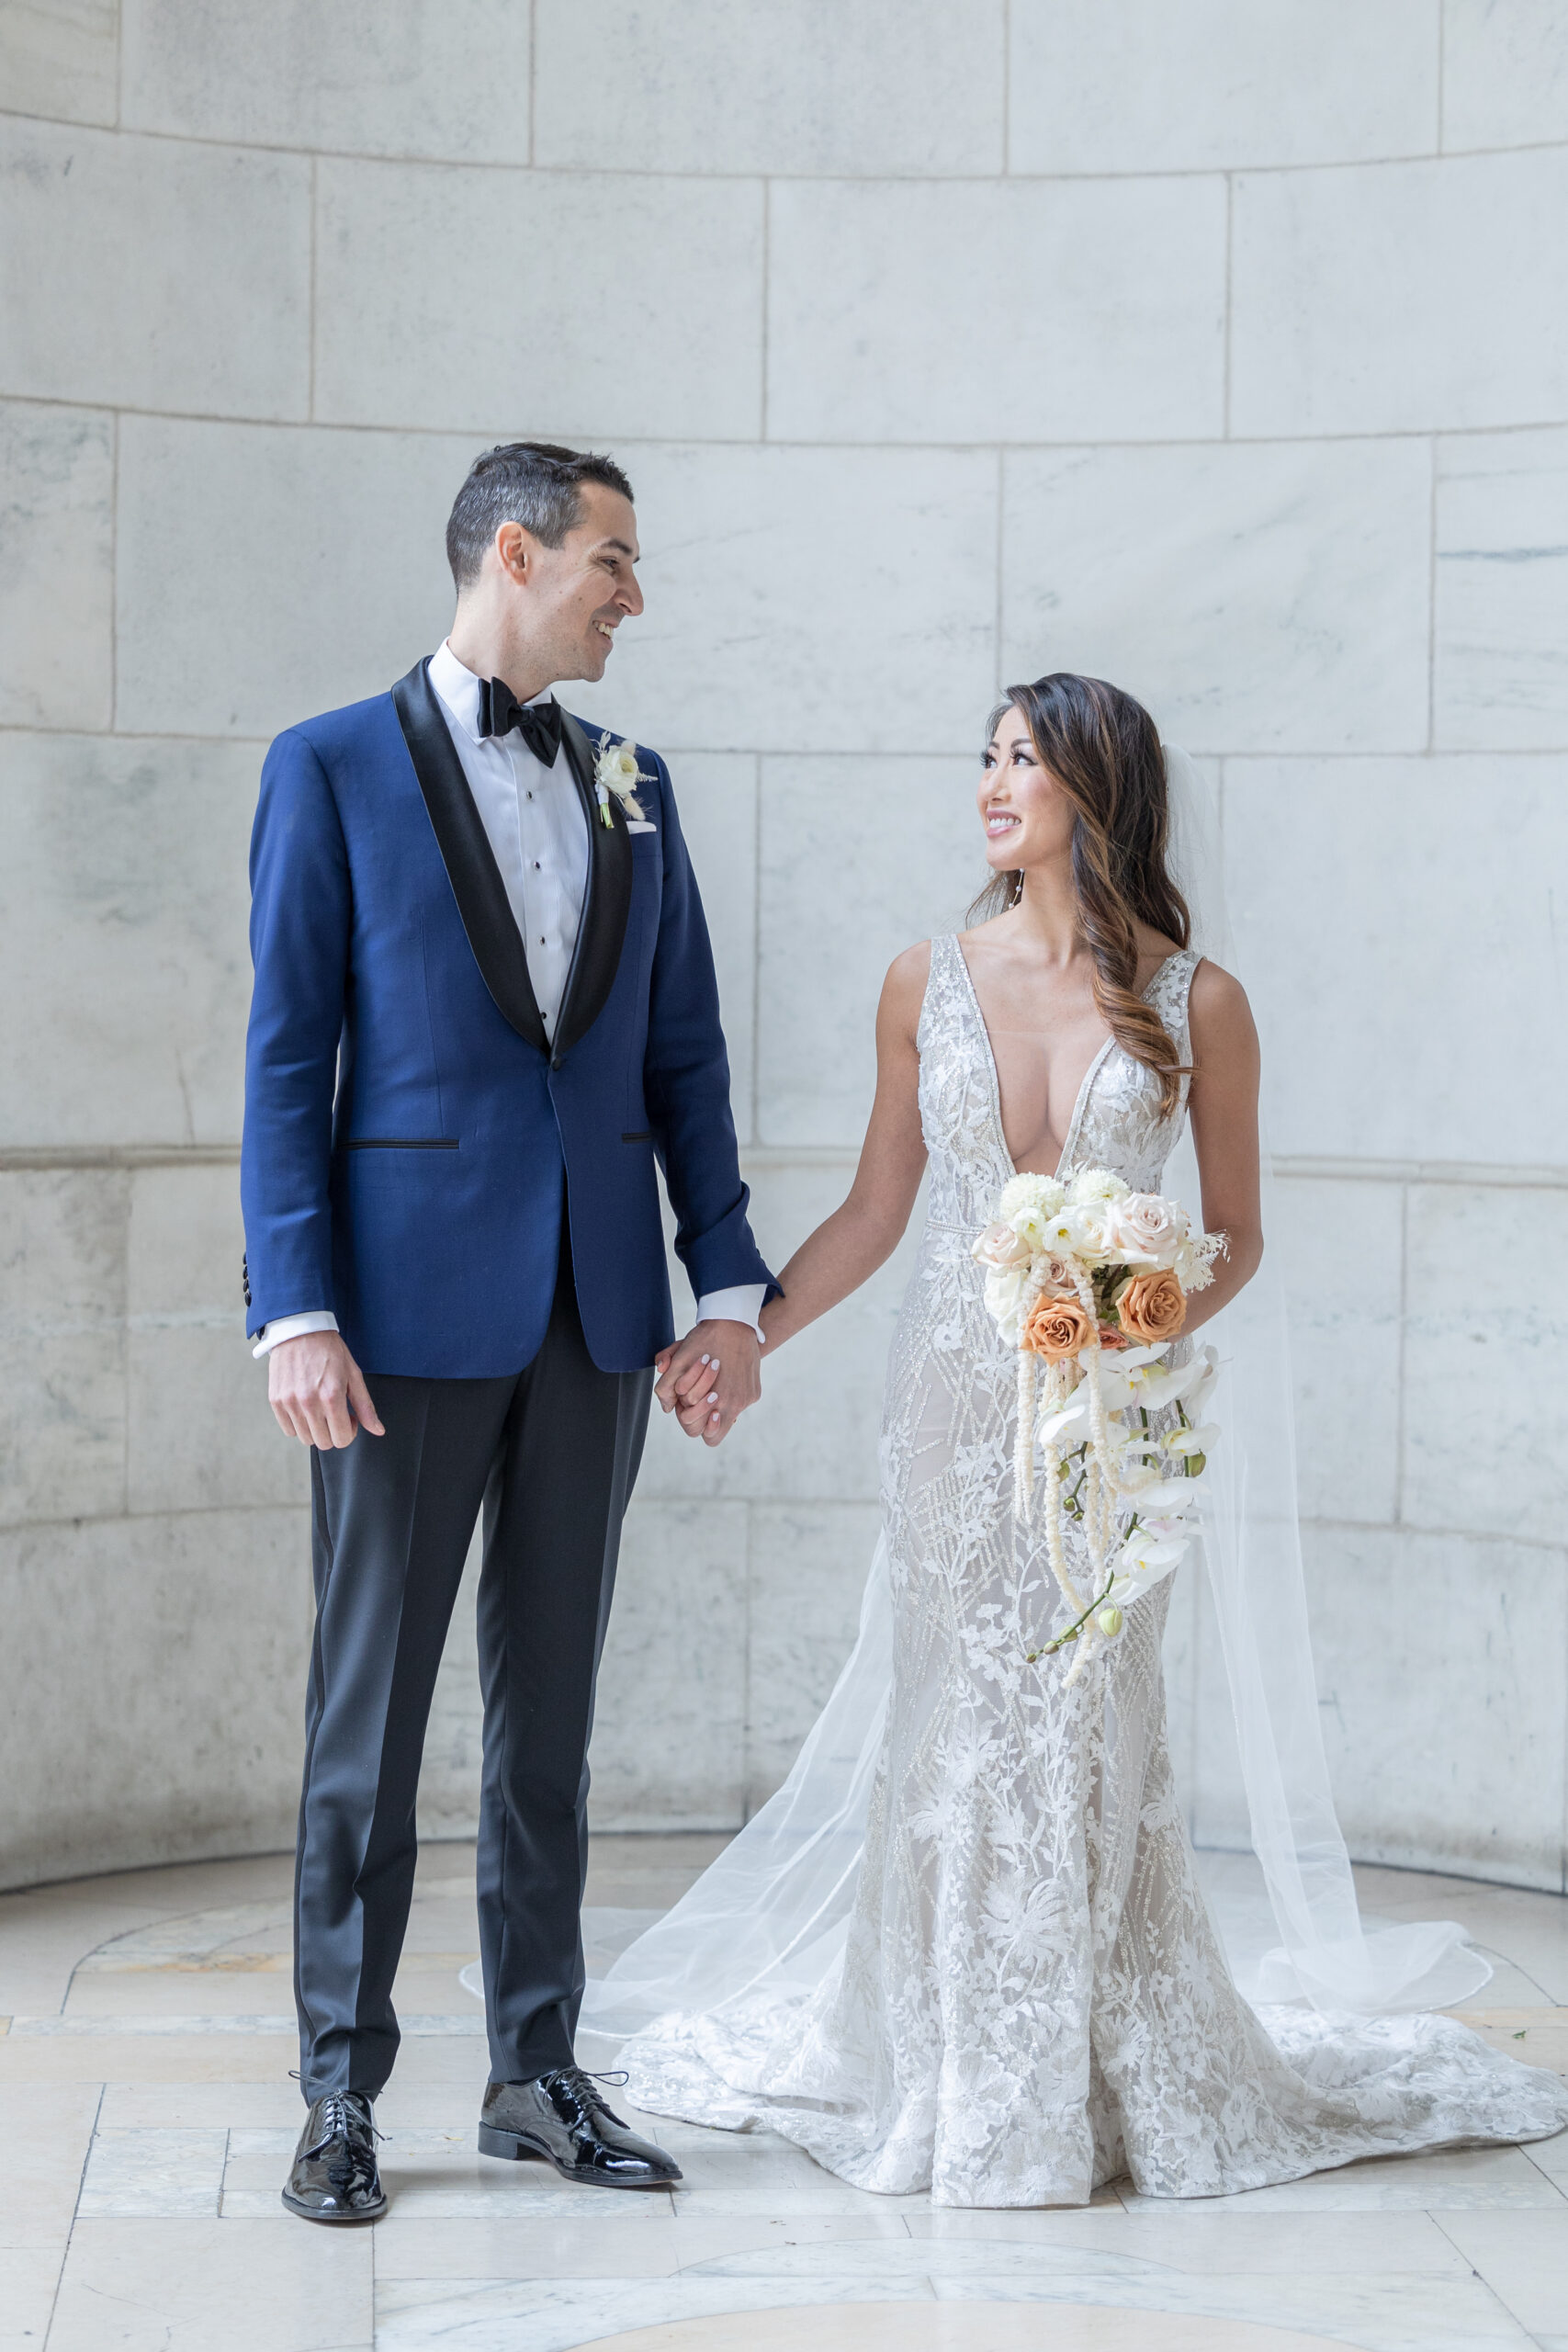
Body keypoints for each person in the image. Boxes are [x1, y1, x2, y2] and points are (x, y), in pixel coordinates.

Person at [600, 673, 1568, 2206]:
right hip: (953, 1406)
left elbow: (1237, 1236)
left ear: (1097, 792)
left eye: (1025, 760)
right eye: (984, 757)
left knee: (1088, 1723)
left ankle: (1084, 2069)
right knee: (958, 1710)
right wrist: (745, 1332)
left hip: (1115, 1418)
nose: (992, 784)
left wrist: (1138, 1299)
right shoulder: (925, 978)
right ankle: (950, 2060)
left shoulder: (1201, 1003)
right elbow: (876, 1211)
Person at [241, 441, 775, 2222]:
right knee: (367, 1722)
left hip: (597, 1321)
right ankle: (338, 2087)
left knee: (548, 1722)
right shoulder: (324, 767)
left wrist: (725, 1288)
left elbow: (680, 1054)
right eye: (616, 559)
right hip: (394, 1325)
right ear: (518, 553)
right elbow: (281, 1061)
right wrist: (293, 1306)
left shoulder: (634, 781)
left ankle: (534, 2067)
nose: (637, 594)